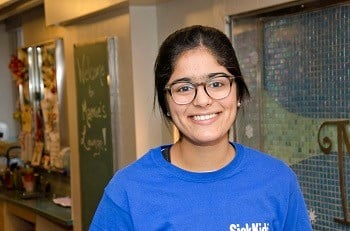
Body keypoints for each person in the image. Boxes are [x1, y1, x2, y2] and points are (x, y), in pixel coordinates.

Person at [89, 25, 312, 231]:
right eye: (184, 88)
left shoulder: (277, 180)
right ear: (166, 103)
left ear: (238, 94)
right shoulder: (128, 191)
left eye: (217, 84)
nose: (202, 100)